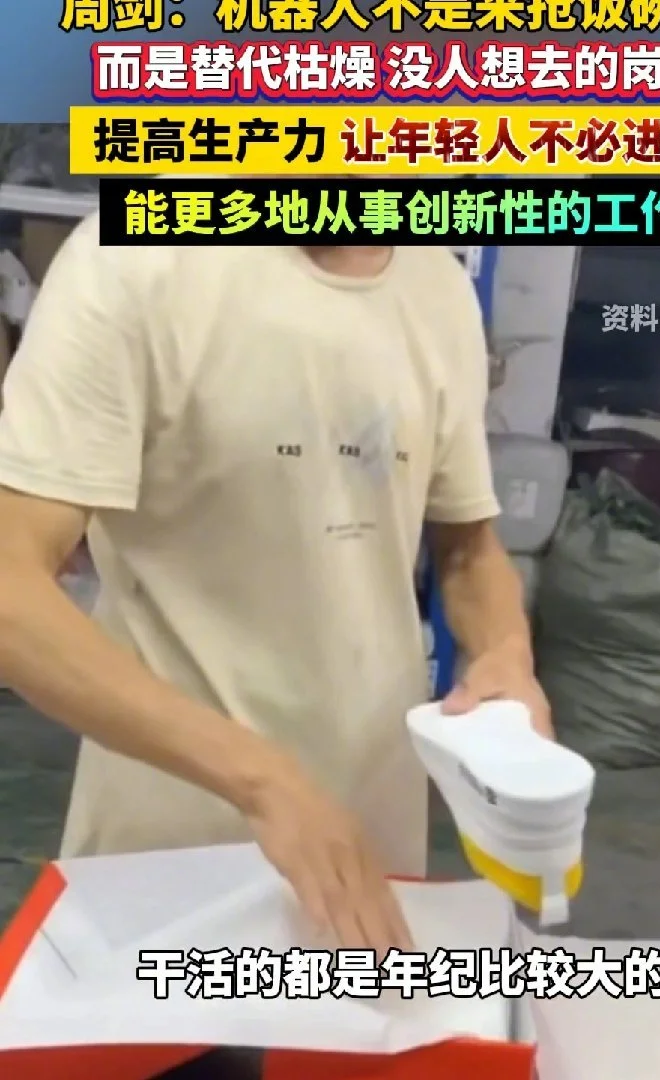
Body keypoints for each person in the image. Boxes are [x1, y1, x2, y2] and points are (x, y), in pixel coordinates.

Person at [0, 229, 553, 955]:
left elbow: (467, 544)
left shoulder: (440, 290)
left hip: (368, 855)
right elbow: (11, 590)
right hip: (169, 858)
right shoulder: (132, 261)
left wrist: (506, 653)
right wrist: (263, 781)